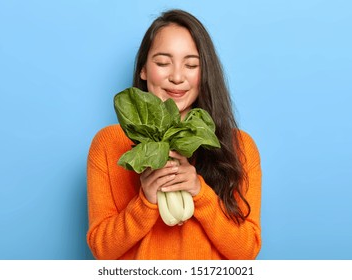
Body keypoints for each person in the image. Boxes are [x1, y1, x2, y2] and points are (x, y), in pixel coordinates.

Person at [86, 9, 262, 260]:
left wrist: (199, 192)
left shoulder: (241, 146)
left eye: (191, 64)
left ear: (204, 74)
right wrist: (145, 201)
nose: (177, 77)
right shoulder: (108, 143)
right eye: (162, 63)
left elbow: (246, 252)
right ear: (143, 70)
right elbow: (102, 250)